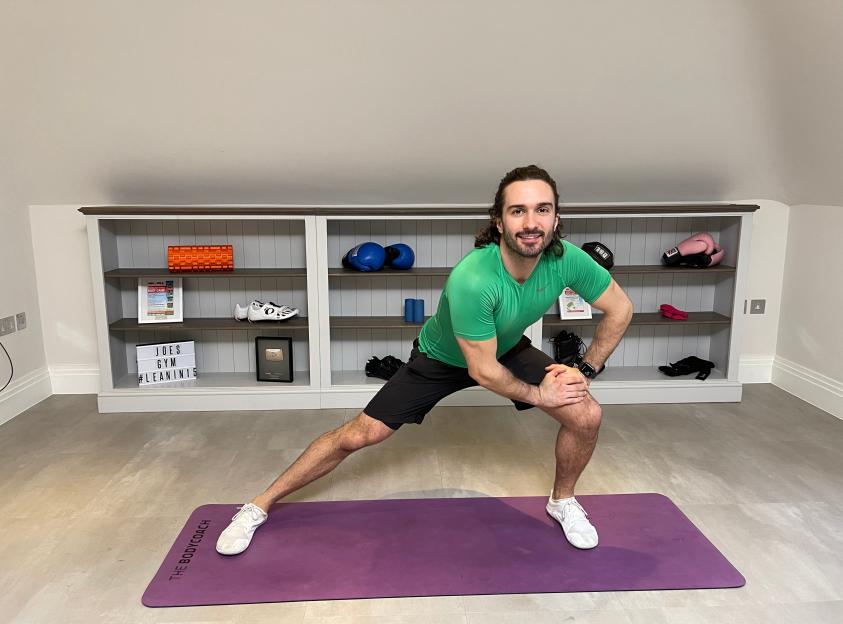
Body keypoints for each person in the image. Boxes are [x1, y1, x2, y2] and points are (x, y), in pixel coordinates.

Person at [216, 164, 634, 555]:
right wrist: (541, 394)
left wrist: (584, 371)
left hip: (504, 346)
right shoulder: (474, 277)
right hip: (442, 356)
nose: (531, 222)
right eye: (518, 211)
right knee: (360, 435)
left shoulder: (568, 260)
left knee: (586, 414)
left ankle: (563, 501)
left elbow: (620, 308)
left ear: (556, 218)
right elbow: (482, 371)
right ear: (499, 221)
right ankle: (258, 505)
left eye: (542, 209)